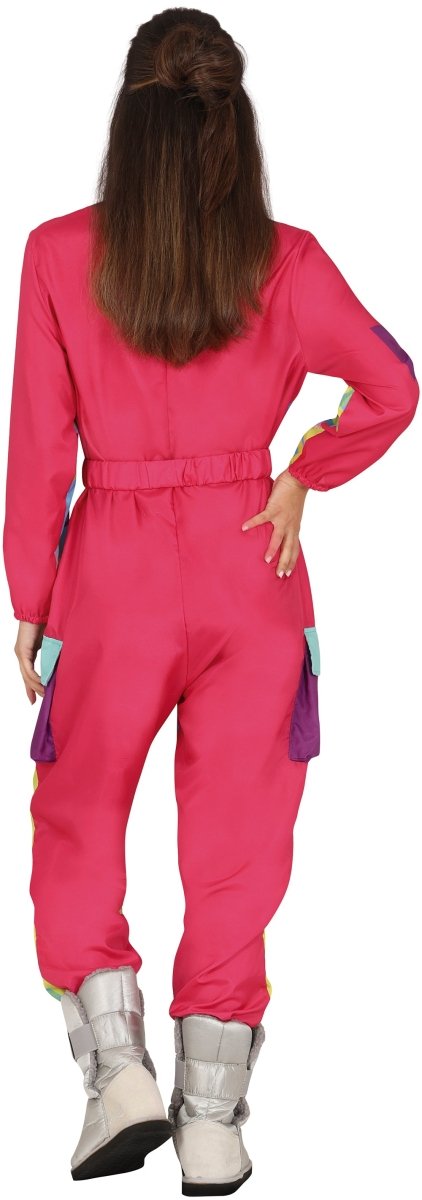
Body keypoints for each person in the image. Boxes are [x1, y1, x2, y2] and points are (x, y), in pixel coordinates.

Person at [3, 6, 419, 1194]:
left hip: (111, 575)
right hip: (254, 570)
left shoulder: (57, 255)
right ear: (232, 122)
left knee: (78, 818)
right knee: (238, 845)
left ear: (127, 122)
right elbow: (392, 385)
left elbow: (39, 447)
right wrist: (300, 474)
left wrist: (33, 596)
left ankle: (115, 1073)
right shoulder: (284, 260)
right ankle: (212, 1120)